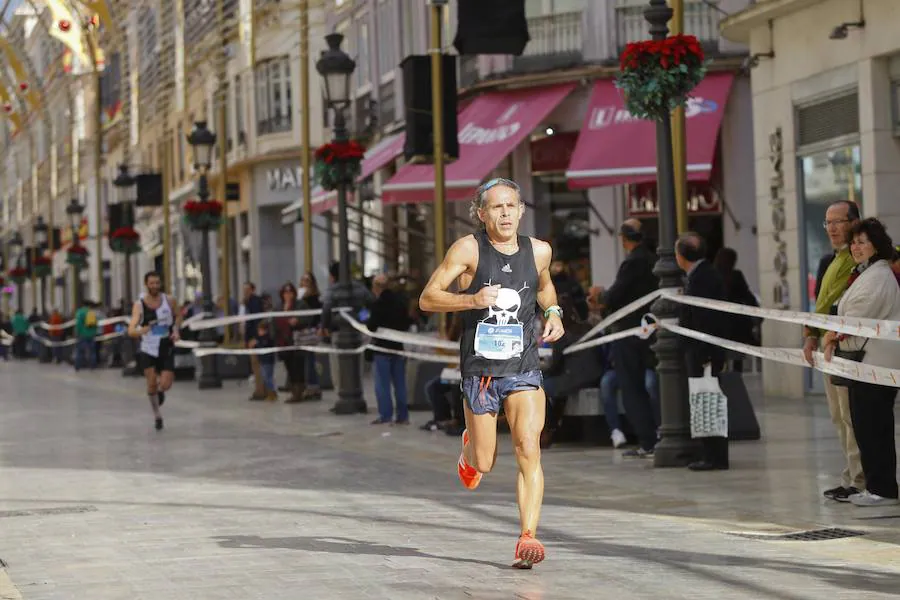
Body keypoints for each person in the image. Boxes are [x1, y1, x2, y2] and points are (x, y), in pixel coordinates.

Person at [419, 177, 564, 569]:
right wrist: (470, 299)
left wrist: (553, 313)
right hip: (480, 370)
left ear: (520, 211)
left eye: (511, 206)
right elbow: (427, 298)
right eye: (496, 207)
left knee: (528, 449)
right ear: (481, 214)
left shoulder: (539, 252)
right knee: (484, 463)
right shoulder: (468, 249)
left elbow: (545, 289)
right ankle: (469, 450)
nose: (504, 213)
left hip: (523, 367)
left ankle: (527, 537)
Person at [822, 218, 900, 506]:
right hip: (864, 364)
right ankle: (877, 486)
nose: (856, 247)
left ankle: (883, 489)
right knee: (865, 426)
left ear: (876, 245)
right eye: (853, 242)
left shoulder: (878, 276)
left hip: (876, 364)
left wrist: (831, 335)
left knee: (873, 426)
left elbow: (857, 317)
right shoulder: (864, 273)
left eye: (862, 242)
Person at [803, 200, 863, 502]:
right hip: (828, 349)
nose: (832, 228)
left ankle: (861, 479)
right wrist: (810, 336)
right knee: (839, 417)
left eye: (838, 221)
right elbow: (820, 304)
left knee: (853, 416)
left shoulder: (864, 257)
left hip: (853, 349)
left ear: (854, 222)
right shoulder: (828, 261)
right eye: (828, 223)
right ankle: (852, 476)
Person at [590, 219, 660, 458]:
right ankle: (653, 437)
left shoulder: (633, 263)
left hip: (630, 334)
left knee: (632, 388)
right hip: (649, 332)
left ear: (624, 239)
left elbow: (616, 295)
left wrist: (600, 296)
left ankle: (648, 440)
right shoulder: (653, 260)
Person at [676, 233, 730, 471]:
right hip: (701, 348)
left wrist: (706, 352)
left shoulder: (703, 278)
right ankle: (707, 452)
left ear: (681, 255)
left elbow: (705, 318)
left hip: (703, 350)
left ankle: (714, 456)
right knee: (702, 399)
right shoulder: (699, 275)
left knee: (708, 399)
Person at [127, 272, 182, 431]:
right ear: (146, 284)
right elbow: (131, 329)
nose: (155, 286)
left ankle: (159, 391)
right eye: (152, 283)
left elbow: (178, 316)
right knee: (150, 384)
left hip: (165, 345)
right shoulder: (139, 305)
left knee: (166, 384)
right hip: (148, 347)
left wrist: (176, 330)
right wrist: (141, 331)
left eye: (157, 283)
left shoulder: (169, 300)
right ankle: (157, 415)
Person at [367, 273, 411, 425]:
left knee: (383, 385)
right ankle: (403, 416)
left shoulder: (377, 305)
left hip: (382, 349)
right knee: (400, 384)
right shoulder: (400, 302)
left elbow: (371, 326)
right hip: (398, 348)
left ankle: (385, 415)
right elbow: (406, 323)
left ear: (377, 287)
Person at [713, 247, 760, 370]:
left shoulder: (712, 276)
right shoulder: (735, 276)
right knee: (735, 361)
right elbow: (747, 296)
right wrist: (758, 314)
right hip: (736, 324)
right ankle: (734, 382)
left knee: (718, 361)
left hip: (716, 324)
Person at [299, 271, 323, 400]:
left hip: (310, 331)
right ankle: (305, 385)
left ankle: (313, 386)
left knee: (310, 359)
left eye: (307, 280)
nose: (304, 283)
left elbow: (315, 315)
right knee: (303, 360)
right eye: (303, 280)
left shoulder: (314, 298)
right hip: (300, 331)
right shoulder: (299, 296)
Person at [242, 282, 267, 401]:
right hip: (251, 337)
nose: (245, 292)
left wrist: (255, 338)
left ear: (253, 290)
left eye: (247, 289)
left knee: (257, 365)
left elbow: (257, 321)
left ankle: (260, 390)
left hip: (255, 339)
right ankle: (260, 389)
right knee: (255, 365)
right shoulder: (248, 303)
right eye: (244, 290)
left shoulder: (255, 302)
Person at [249, 320, 278, 401]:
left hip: (268, 361)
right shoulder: (261, 338)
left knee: (268, 377)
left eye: (260, 330)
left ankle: (272, 393)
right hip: (263, 360)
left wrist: (256, 343)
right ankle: (271, 392)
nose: (259, 332)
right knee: (266, 377)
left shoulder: (267, 338)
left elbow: (263, 346)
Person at [73, 301, 99, 371]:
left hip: (82, 334)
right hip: (91, 335)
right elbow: (96, 323)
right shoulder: (91, 312)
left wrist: (76, 333)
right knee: (92, 351)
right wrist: (94, 332)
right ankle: (93, 366)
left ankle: (78, 366)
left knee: (80, 351)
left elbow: (78, 324)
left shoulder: (80, 312)